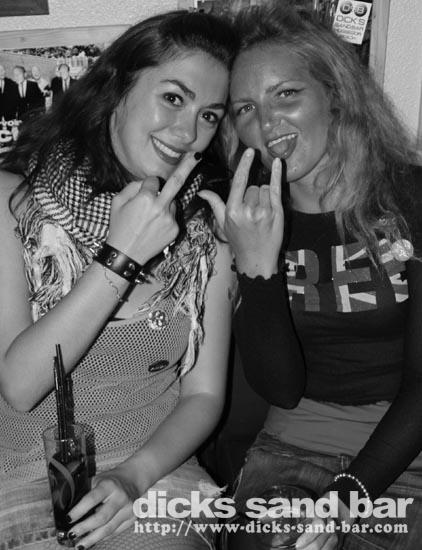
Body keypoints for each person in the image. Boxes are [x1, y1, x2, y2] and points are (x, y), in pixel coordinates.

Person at [0, 9, 237, 550]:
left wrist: (133, 477)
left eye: (209, 115)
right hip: (18, 484)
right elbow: (20, 386)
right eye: (173, 98)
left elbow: (204, 394)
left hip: (154, 475)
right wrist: (121, 256)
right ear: (117, 88)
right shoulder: (12, 204)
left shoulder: (206, 232)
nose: (188, 133)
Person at [199, 2, 422, 549]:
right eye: (245, 107)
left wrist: (346, 499)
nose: (266, 123)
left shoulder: (412, 198)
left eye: (286, 94)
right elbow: (281, 388)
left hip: (406, 455)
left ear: (335, 94)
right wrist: (256, 267)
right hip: (290, 450)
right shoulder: (245, 218)